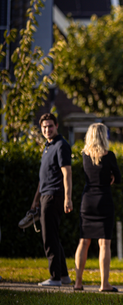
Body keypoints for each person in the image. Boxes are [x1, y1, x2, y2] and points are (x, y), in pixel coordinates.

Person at [74, 123, 121, 292]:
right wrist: (112, 177)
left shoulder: (84, 155)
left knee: (83, 241)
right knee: (104, 244)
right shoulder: (109, 156)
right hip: (104, 200)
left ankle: (78, 283)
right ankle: (104, 284)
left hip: (87, 201)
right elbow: (119, 177)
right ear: (103, 136)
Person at [30, 113, 73, 287]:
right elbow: (42, 178)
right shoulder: (47, 147)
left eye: (50, 126)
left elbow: (67, 173)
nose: (47, 129)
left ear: (56, 126)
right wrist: (36, 199)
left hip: (54, 195)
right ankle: (63, 276)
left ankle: (54, 278)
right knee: (53, 236)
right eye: (44, 127)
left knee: (48, 237)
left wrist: (68, 198)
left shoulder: (61, 145)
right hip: (45, 195)